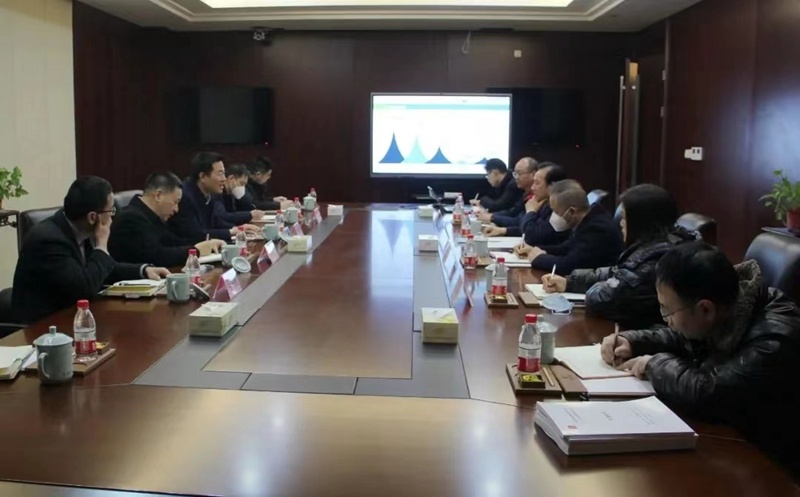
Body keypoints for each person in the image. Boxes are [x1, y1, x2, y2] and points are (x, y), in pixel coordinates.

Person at [600, 242, 800, 476]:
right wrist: (633, 341)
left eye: (667, 310)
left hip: (771, 468)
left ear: (706, 310)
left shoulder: (774, 337)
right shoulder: (726, 302)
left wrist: (654, 364)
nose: (666, 319)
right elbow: (684, 336)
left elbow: (710, 393)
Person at [11, 176, 170, 324]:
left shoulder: (77, 229)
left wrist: (144, 270)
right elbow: (84, 289)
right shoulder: (49, 241)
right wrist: (101, 245)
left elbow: (101, 270)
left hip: (74, 317)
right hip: (45, 327)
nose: (112, 217)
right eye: (110, 211)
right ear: (93, 217)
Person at [541, 184, 696, 328]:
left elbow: (603, 300)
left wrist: (605, 285)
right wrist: (569, 282)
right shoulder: (652, 247)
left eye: (625, 218)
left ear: (640, 223)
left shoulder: (658, 259)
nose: (621, 223)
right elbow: (617, 272)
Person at [108, 172, 226, 268]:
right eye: (175, 202)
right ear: (158, 195)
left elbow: (173, 242)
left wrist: (207, 243)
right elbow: (157, 256)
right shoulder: (130, 219)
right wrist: (196, 250)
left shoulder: (152, 216)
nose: (176, 209)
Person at [516, 180, 623, 275]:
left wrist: (538, 258)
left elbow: (569, 265)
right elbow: (566, 248)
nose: (554, 216)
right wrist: (534, 249)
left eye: (556, 212)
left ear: (571, 211)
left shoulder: (598, 229)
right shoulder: (588, 219)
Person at [169, 152, 260, 242]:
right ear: (203, 176)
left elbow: (216, 222)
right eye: (220, 174)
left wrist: (238, 228)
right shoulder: (184, 196)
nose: (224, 179)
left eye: (224, 173)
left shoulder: (209, 194)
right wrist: (230, 232)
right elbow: (195, 234)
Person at [483, 163, 570, 247]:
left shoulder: (559, 209)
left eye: (537, 183)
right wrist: (504, 230)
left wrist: (530, 212)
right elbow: (522, 224)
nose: (533, 187)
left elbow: (531, 236)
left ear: (552, 187)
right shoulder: (542, 202)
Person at [476, 157, 538, 229]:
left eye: (519, 173)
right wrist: (491, 216)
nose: (516, 177)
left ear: (533, 174)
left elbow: (519, 221)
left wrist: (492, 217)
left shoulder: (513, 185)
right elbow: (513, 212)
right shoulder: (525, 193)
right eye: (515, 173)